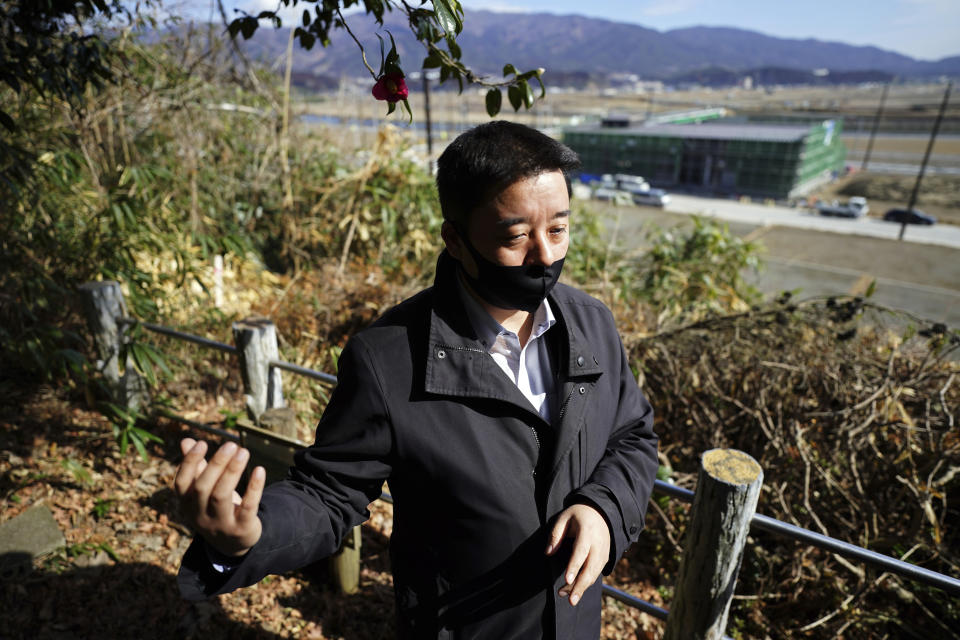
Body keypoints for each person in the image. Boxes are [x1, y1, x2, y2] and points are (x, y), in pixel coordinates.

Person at [174, 121, 659, 639]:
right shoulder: (389, 359)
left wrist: (604, 509)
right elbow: (330, 491)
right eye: (515, 236)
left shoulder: (589, 324)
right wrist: (249, 537)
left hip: (574, 623)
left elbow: (631, 436)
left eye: (558, 229)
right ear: (455, 238)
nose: (543, 255)